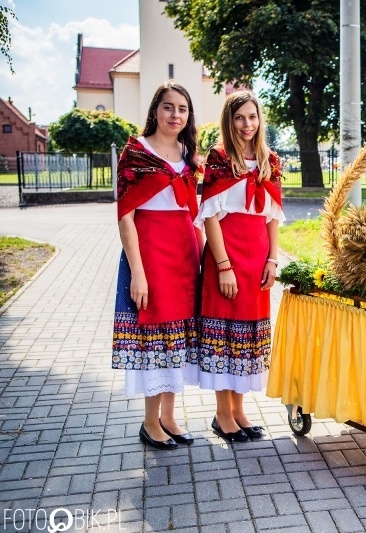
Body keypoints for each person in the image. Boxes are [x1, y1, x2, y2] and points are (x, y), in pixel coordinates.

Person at [112, 82, 203, 450]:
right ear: (155, 111)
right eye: (168, 107)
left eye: (182, 109)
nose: (175, 115)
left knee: (176, 337)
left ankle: (169, 417)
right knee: (156, 339)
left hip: (183, 254)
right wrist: (137, 271)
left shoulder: (187, 152)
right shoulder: (136, 152)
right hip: (150, 253)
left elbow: (192, 212)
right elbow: (125, 218)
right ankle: (150, 423)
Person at [195, 91, 284, 442]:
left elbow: (273, 216)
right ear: (229, 122)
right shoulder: (218, 159)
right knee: (225, 335)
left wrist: (273, 259)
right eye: (239, 118)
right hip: (227, 254)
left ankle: (240, 410)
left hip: (258, 258)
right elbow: (210, 217)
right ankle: (222, 414)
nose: (247, 124)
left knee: (247, 337)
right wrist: (223, 266)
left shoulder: (270, 161)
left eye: (252, 117)